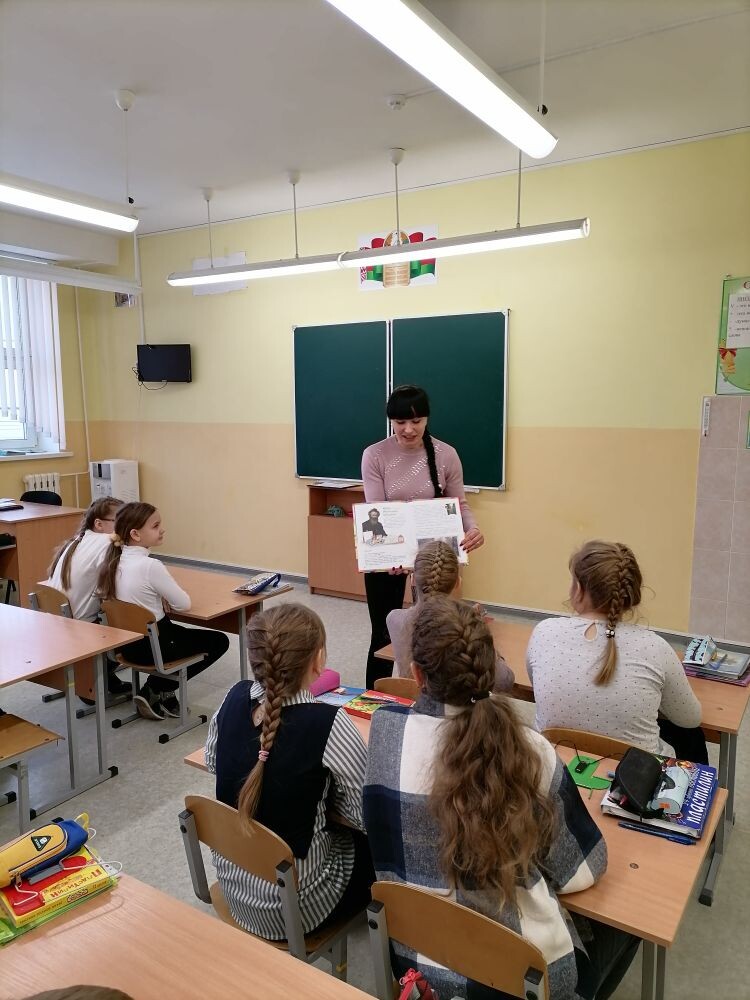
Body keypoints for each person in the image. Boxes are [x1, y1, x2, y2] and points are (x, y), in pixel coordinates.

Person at [365, 596, 638, 1000]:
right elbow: (581, 871)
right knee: (630, 921)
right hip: (522, 984)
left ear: (417, 674)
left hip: (419, 971)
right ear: (491, 670)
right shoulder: (531, 749)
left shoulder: (385, 733)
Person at [204, 603, 374, 940]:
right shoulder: (330, 723)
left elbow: (212, 761)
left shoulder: (232, 698)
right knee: (371, 841)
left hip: (235, 893)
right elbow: (364, 815)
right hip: (296, 911)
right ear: (319, 660)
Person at [526, 540, 707, 762]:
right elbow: (691, 718)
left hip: (556, 769)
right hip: (636, 777)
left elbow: (539, 686)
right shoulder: (655, 647)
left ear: (579, 589)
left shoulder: (543, 632)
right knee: (691, 737)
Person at [361, 384, 483, 687]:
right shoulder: (374, 455)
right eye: (400, 421)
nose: (408, 429)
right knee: (382, 634)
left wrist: (473, 529)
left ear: (427, 418)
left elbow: (460, 505)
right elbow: (376, 511)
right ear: (391, 420)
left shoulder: (446, 455)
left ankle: (433, 694)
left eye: (416, 421)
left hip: (434, 559)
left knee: (435, 629)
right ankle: (373, 700)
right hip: (389, 559)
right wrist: (390, 555)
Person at [97, 502, 229, 721]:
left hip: (127, 647)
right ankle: (155, 688)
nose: (162, 530)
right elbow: (183, 604)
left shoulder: (113, 562)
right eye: (155, 526)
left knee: (182, 633)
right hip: (157, 647)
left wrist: (159, 595)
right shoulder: (150, 566)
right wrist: (164, 594)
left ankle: (160, 691)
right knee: (219, 641)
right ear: (135, 534)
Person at [386, 540, 514, 692]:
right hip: (456, 705)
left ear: (413, 580)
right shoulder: (464, 626)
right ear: (458, 582)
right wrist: (478, 629)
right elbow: (504, 680)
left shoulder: (394, 619)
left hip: (414, 701)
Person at [46, 495, 130, 699]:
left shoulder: (76, 541)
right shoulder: (106, 542)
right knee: (138, 625)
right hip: (79, 629)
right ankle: (91, 680)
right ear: (99, 524)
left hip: (54, 624)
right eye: (120, 522)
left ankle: (102, 677)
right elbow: (120, 584)